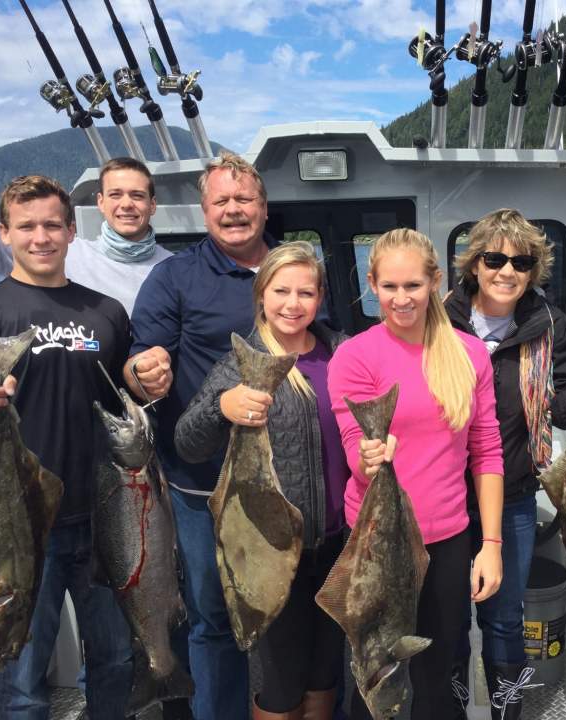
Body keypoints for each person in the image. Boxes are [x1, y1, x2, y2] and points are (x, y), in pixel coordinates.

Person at [0, 175, 133, 718]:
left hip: (103, 516)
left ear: (73, 231)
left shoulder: (106, 313)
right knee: (23, 675)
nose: (40, 237)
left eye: (52, 224)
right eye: (26, 226)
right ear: (4, 234)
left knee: (117, 658)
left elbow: (122, 404)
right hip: (21, 524)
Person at [444, 208, 566, 719]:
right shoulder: (440, 319)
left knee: (505, 617)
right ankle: (456, 706)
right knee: (450, 617)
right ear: (474, 265)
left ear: (534, 270)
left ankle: (507, 712)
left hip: (514, 492)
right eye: (495, 258)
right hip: (443, 497)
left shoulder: (549, 325)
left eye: (521, 262)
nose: (507, 271)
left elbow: (561, 402)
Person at [327, 228, 505, 720]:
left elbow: (486, 452)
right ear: (372, 284)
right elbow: (351, 444)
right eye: (390, 287)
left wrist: (491, 546)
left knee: (439, 671)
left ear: (435, 283)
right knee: (373, 671)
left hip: (446, 540)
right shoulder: (355, 356)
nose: (401, 299)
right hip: (374, 541)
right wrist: (368, 460)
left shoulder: (469, 354)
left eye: (413, 286)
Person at [123, 151, 276, 720]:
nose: (233, 210)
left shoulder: (293, 268)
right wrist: (143, 373)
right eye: (221, 201)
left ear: (263, 206)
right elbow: (139, 364)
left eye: (244, 199)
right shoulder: (174, 277)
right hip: (198, 484)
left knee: (288, 606)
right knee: (213, 615)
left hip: (283, 480)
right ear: (204, 209)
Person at [174, 242, 348, 720]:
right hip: (269, 552)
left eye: (306, 293)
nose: (293, 304)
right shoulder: (241, 362)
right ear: (261, 295)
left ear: (320, 298)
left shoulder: (343, 353)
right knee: (277, 685)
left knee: (324, 674)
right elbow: (187, 443)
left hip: (338, 547)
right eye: (281, 291)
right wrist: (221, 407)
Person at [0, 115, 170, 315]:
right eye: (115, 195)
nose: (126, 205)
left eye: (137, 195)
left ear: (152, 204)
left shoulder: (176, 270)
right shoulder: (60, 251)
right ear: (100, 202)